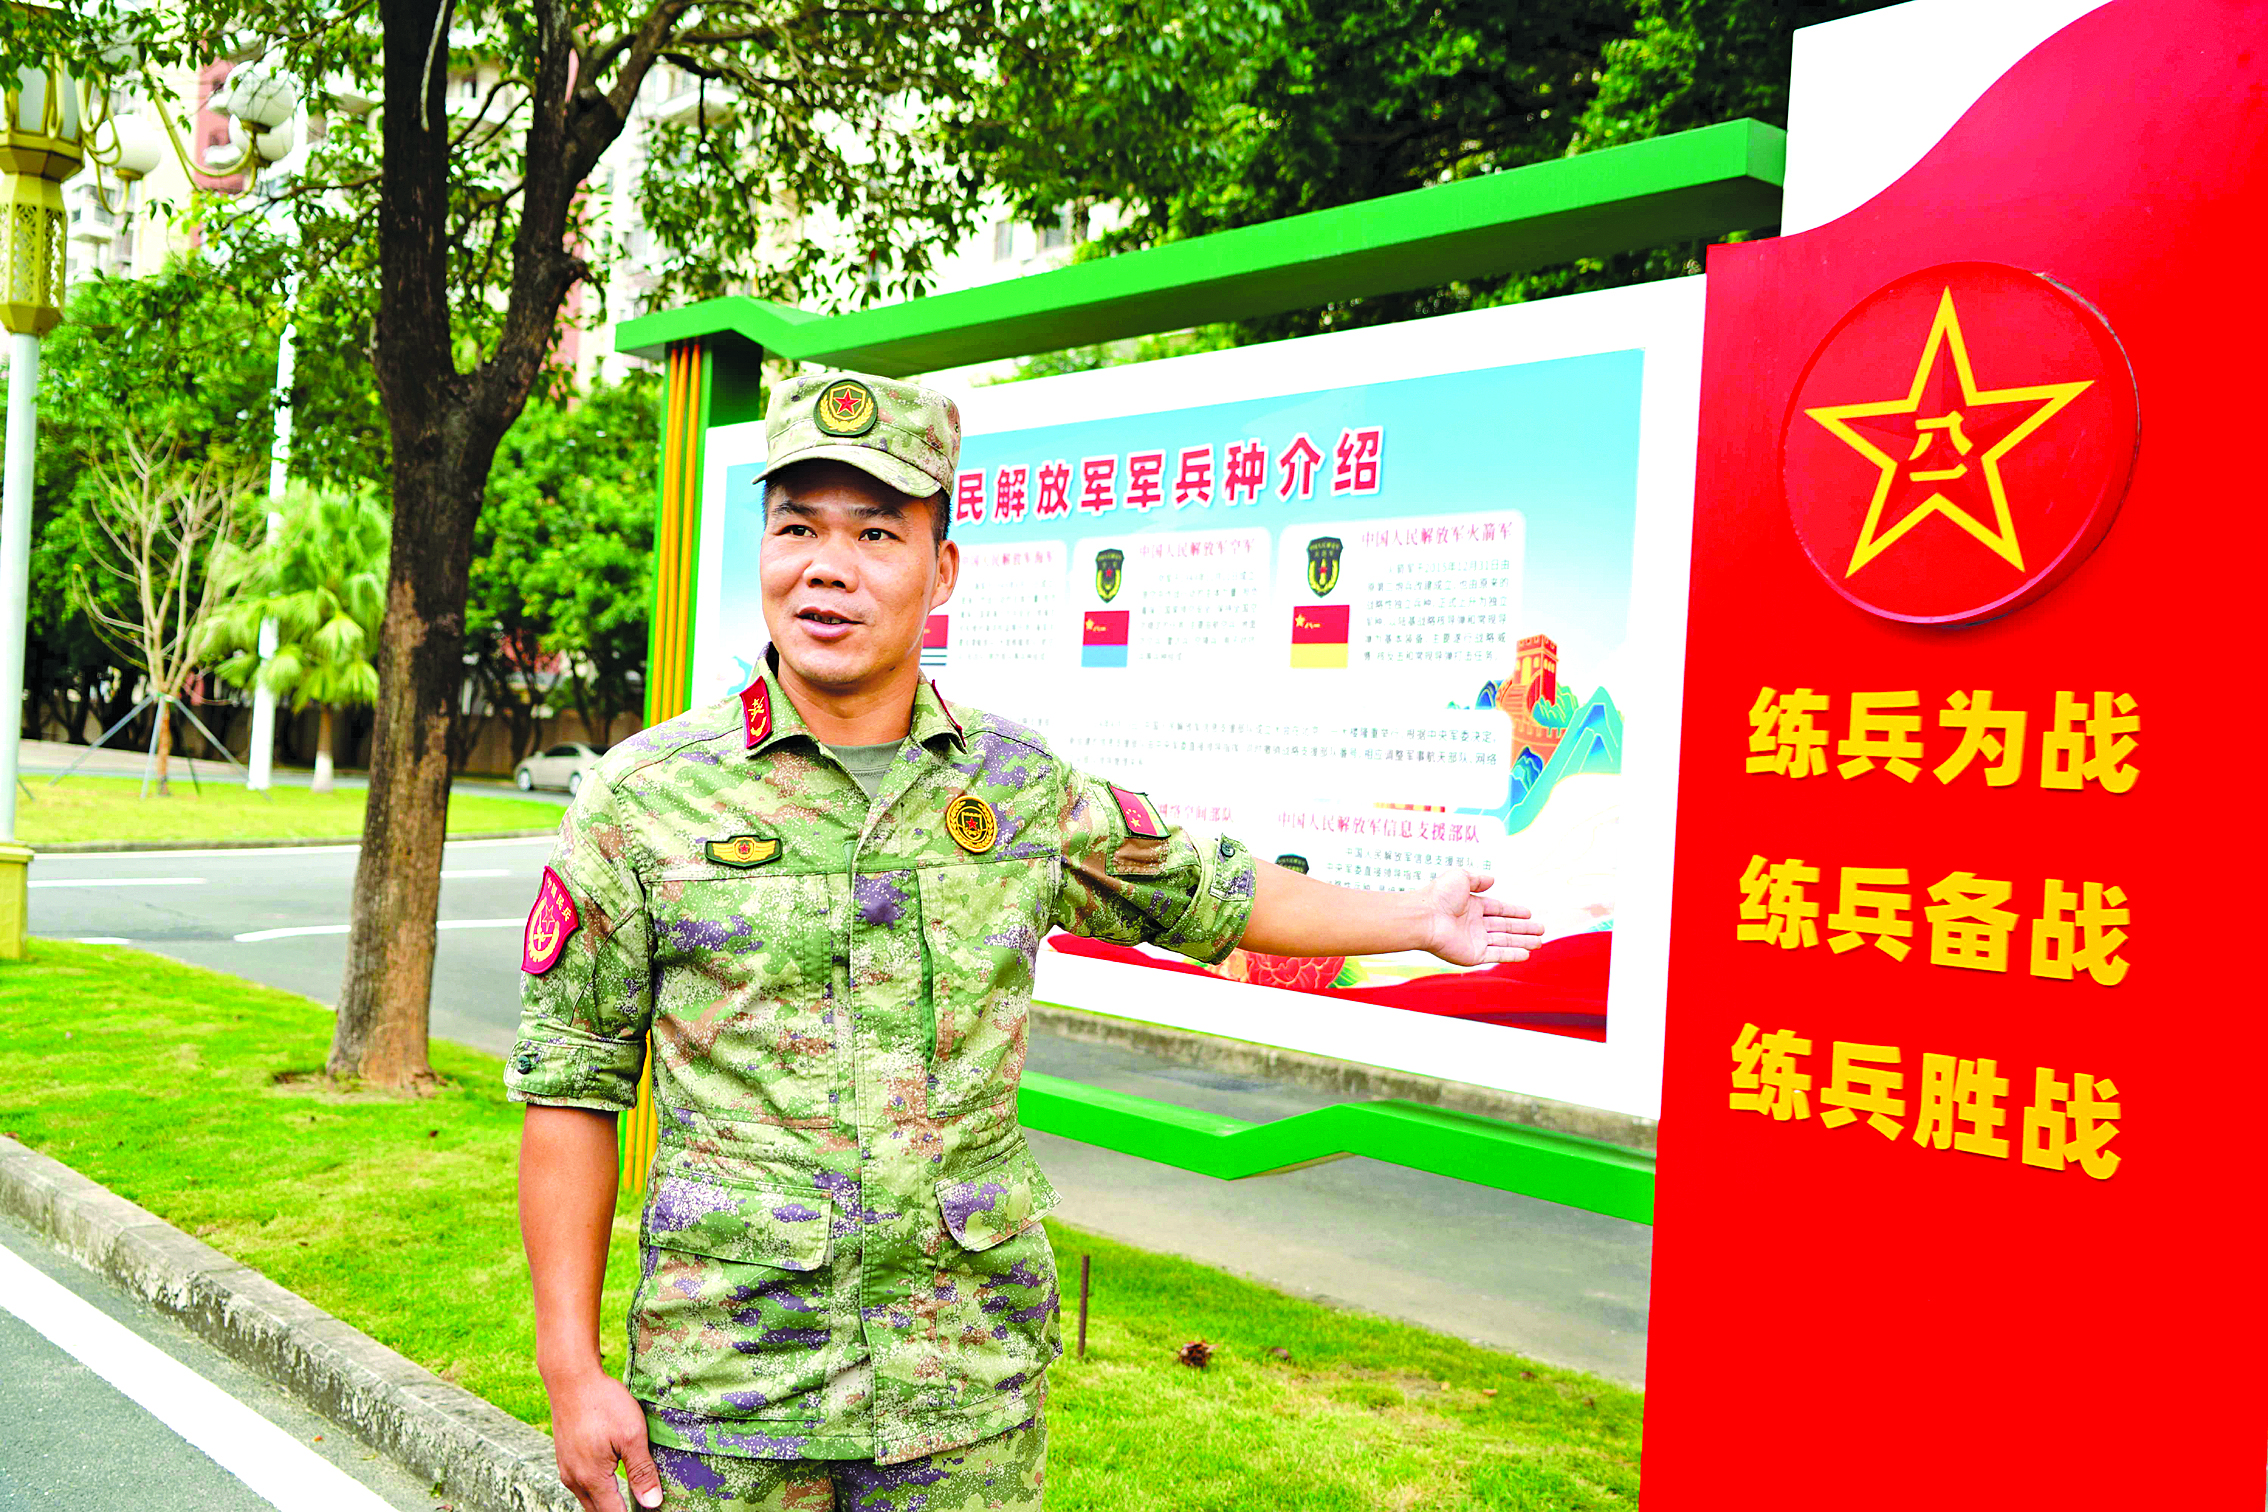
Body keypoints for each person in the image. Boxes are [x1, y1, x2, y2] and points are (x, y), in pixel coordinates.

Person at [510, 370, 1545, 1512]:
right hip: (731, 1403)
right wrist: (571, 1365)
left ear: (940, 568)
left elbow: (1208, 891)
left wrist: (1418, 919)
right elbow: (572, 1087)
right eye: (795, 525)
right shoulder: (643, 800)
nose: (827, 565)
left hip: (967, 1403)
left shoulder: (1016, 789)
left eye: (875, 531)